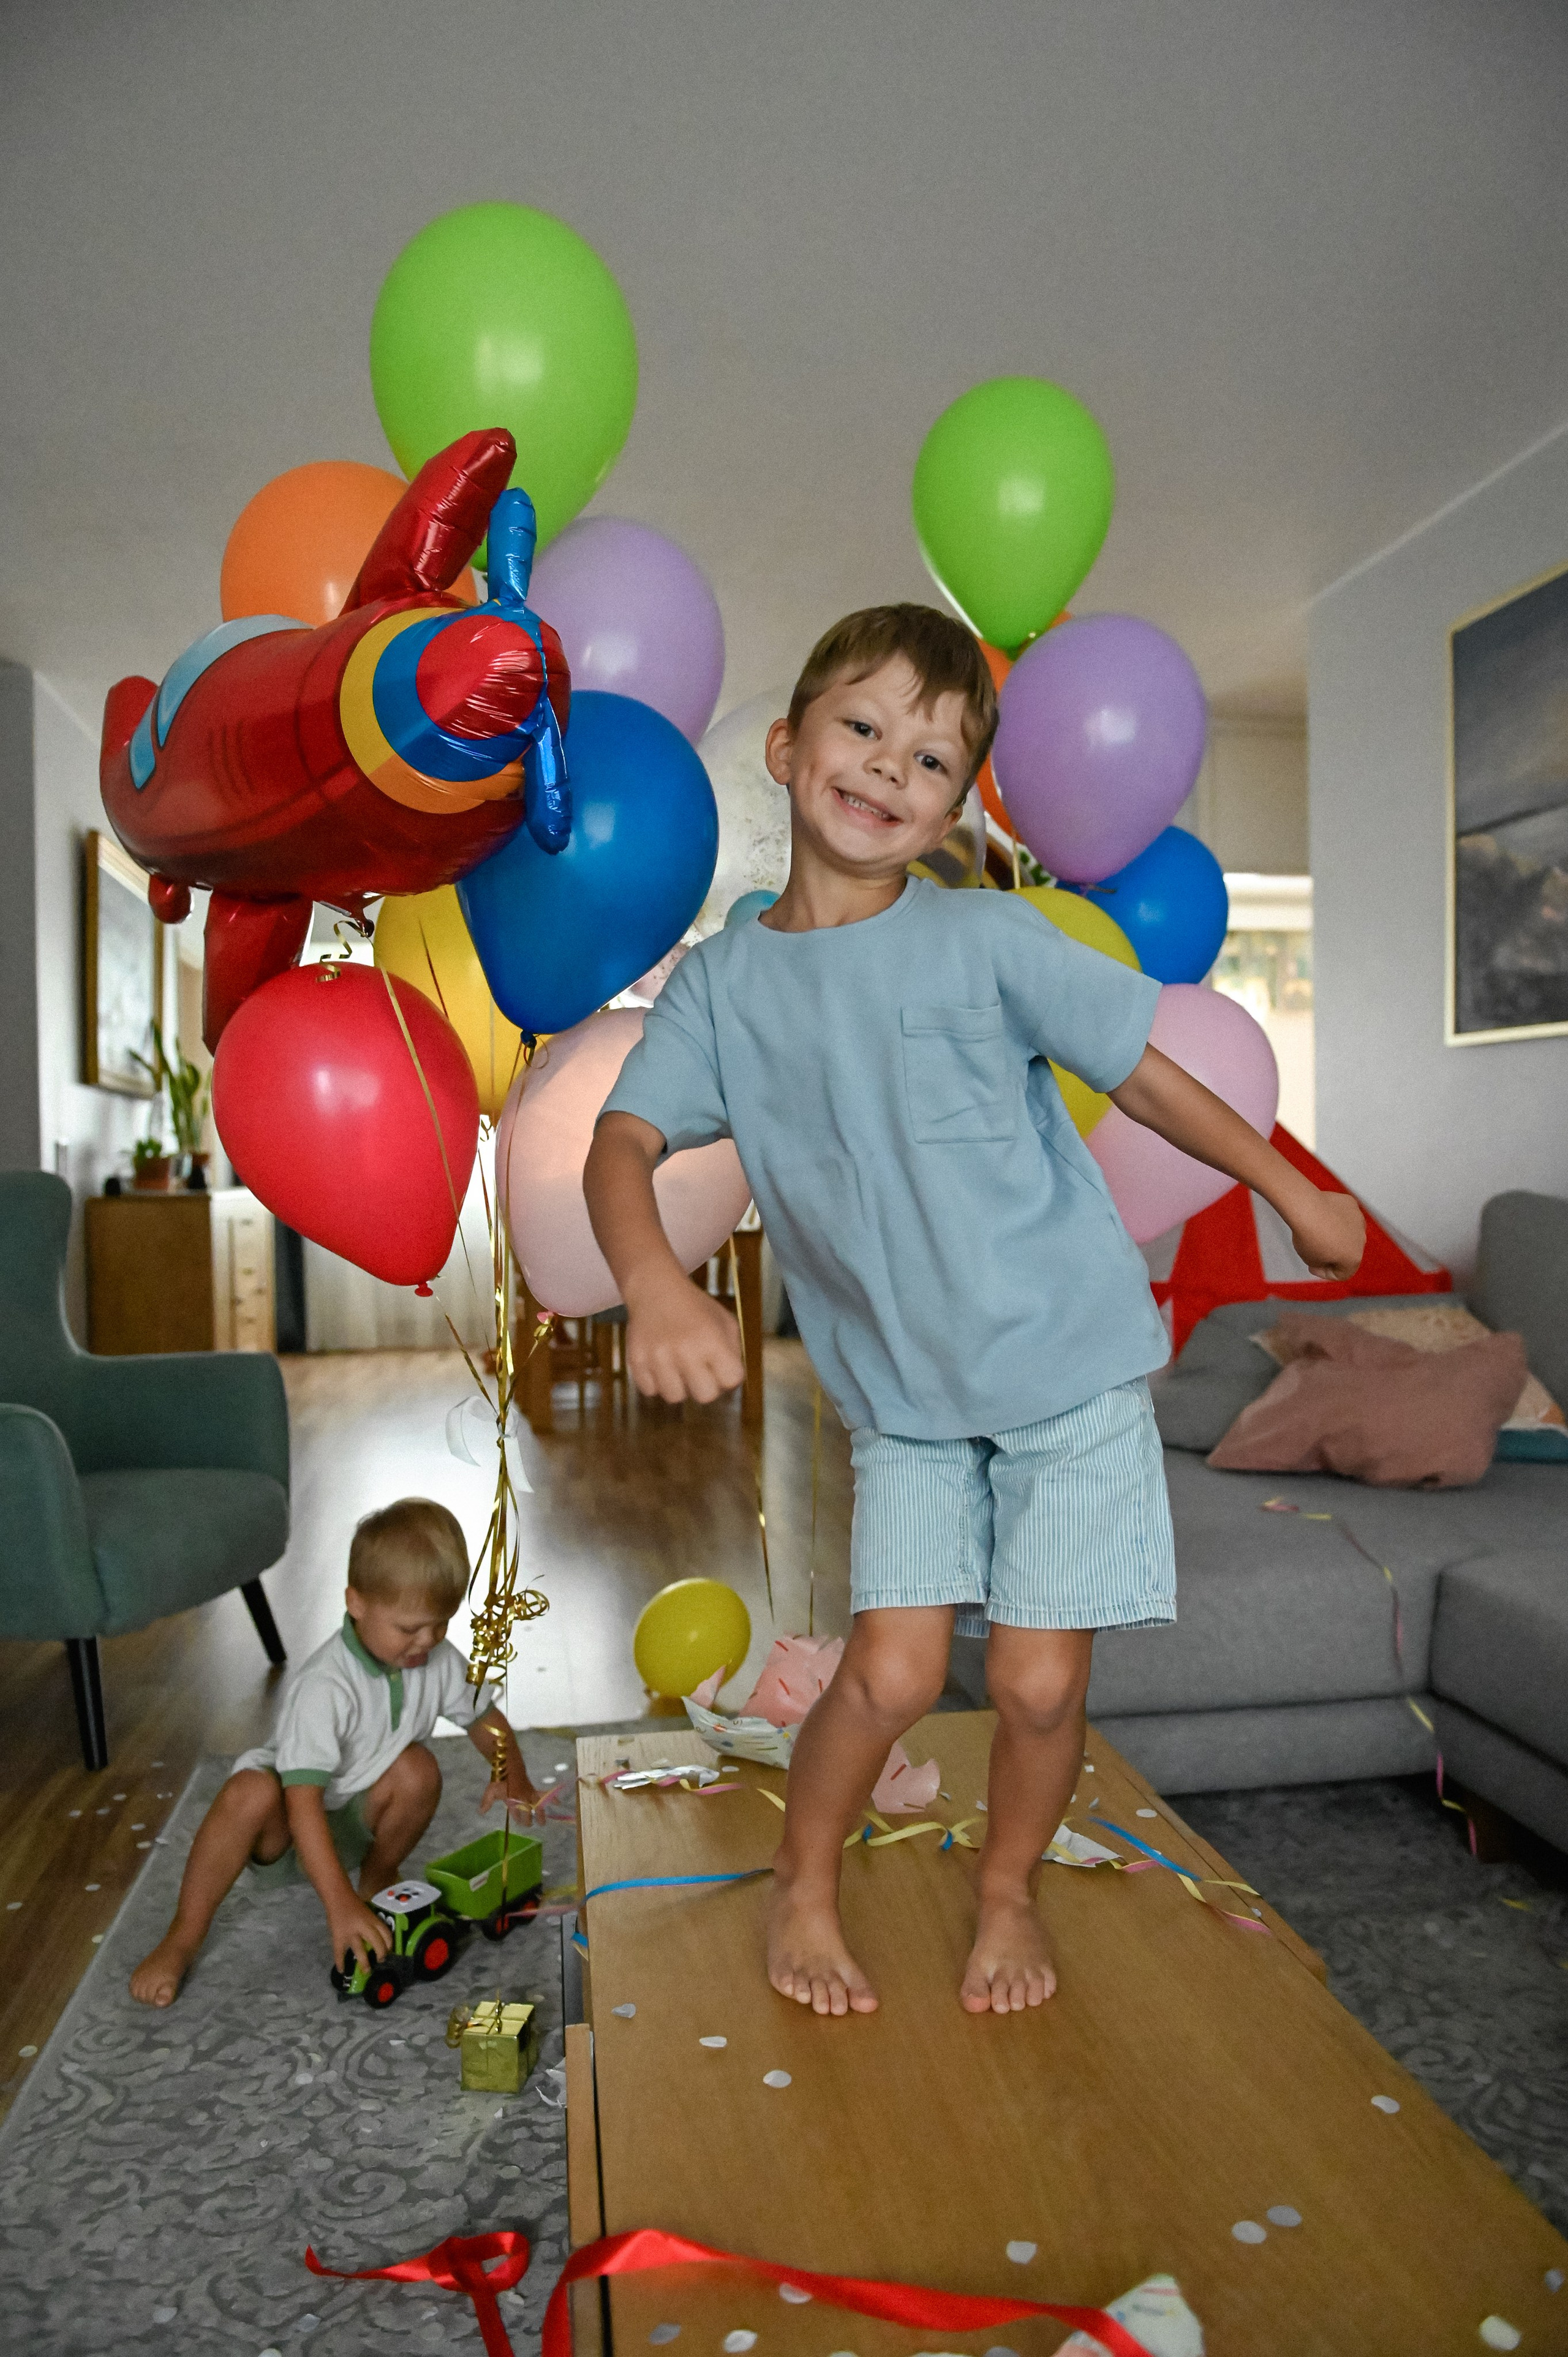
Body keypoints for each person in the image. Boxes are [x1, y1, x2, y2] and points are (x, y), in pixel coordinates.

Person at [584, 604, 1364, 2023]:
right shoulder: (721, 982)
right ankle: (800, 1883)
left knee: (1030, 1685)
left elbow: (1140, 1066)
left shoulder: (989, 937)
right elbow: (619, 1143)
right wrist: (650, 1276)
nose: (889, 767)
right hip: (905, 1404)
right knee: (884, 1673)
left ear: (956, 802)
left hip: (1066, 1374)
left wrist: (1280, 1183)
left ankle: (1005, 1886)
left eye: (932, 758)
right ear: (785, 743)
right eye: (862, 727)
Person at [130, 1496, 540, 2007]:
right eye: (409, 1628)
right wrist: (337, 1906)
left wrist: (512, 1772)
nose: (427, 1640)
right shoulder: (325, 1685)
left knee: (419, 1769)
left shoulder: (436, 1660)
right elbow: (302, 1803)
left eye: (442, 1623)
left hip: (354, 1819)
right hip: (285, 1828)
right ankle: (182, 1938)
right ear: (357, 1604)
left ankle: (377, 1876)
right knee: (249, 1791)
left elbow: (484, 1720)